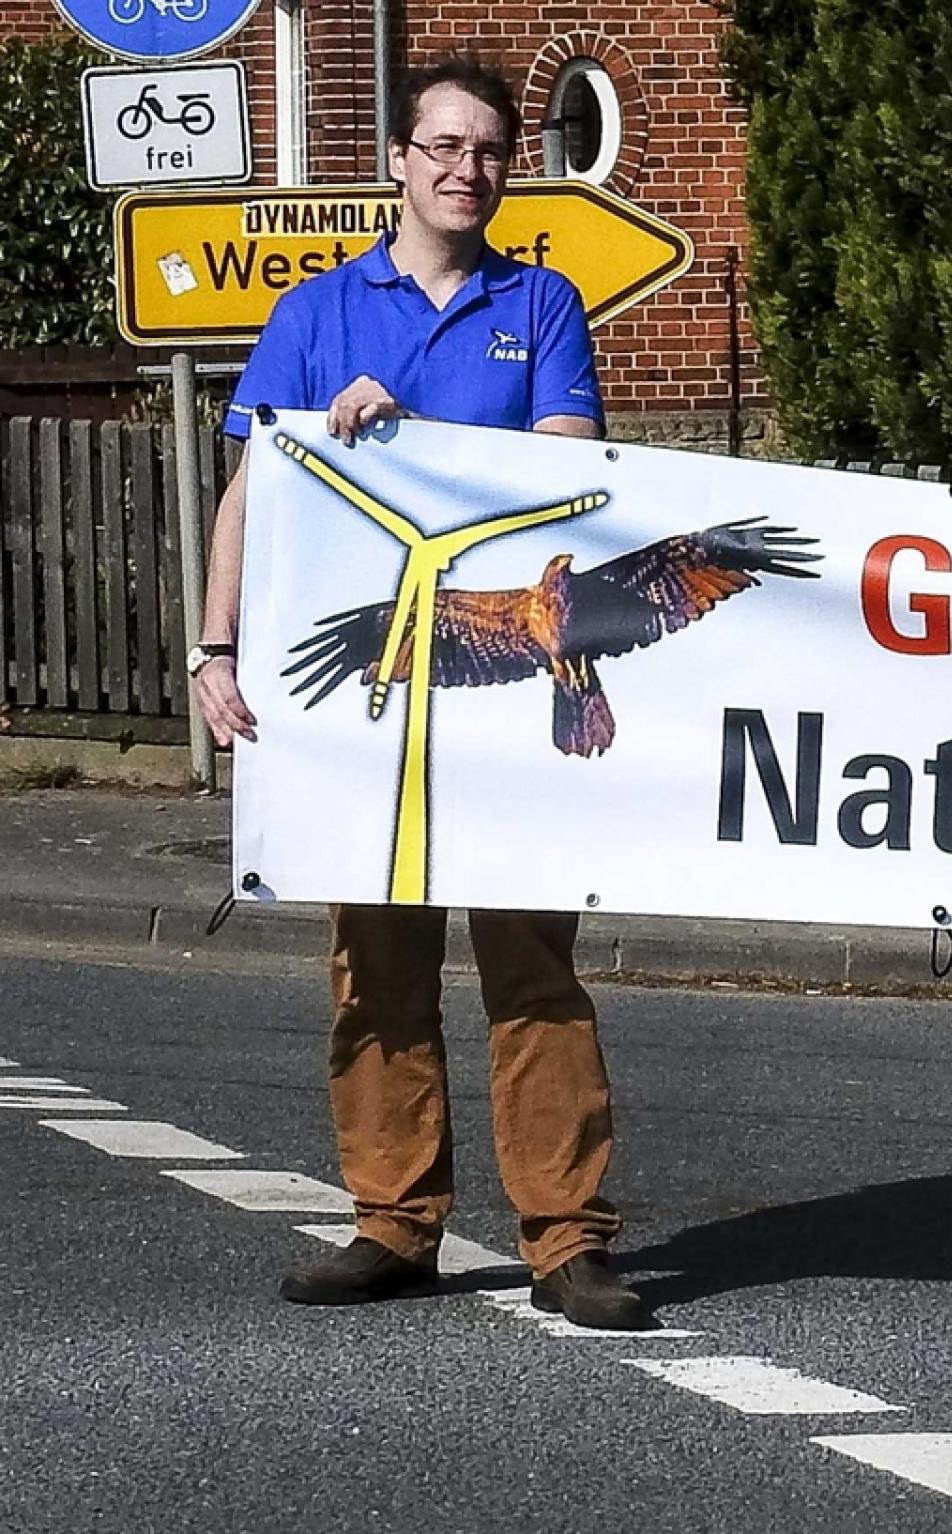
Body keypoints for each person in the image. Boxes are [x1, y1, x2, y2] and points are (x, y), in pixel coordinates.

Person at [182, 58, 653, 1331]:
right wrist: (214, 650)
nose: (465, 169)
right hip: (370, 697)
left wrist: (413, 443)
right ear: (398, 159)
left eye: (489, 150)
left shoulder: (543, 304)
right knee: (373, 965)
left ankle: (566, 1236)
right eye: (443, 145)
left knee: (531, 965)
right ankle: (394, 1220)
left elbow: (567, 465)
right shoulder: (319, 312)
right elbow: (251, 492)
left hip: (502, 692)